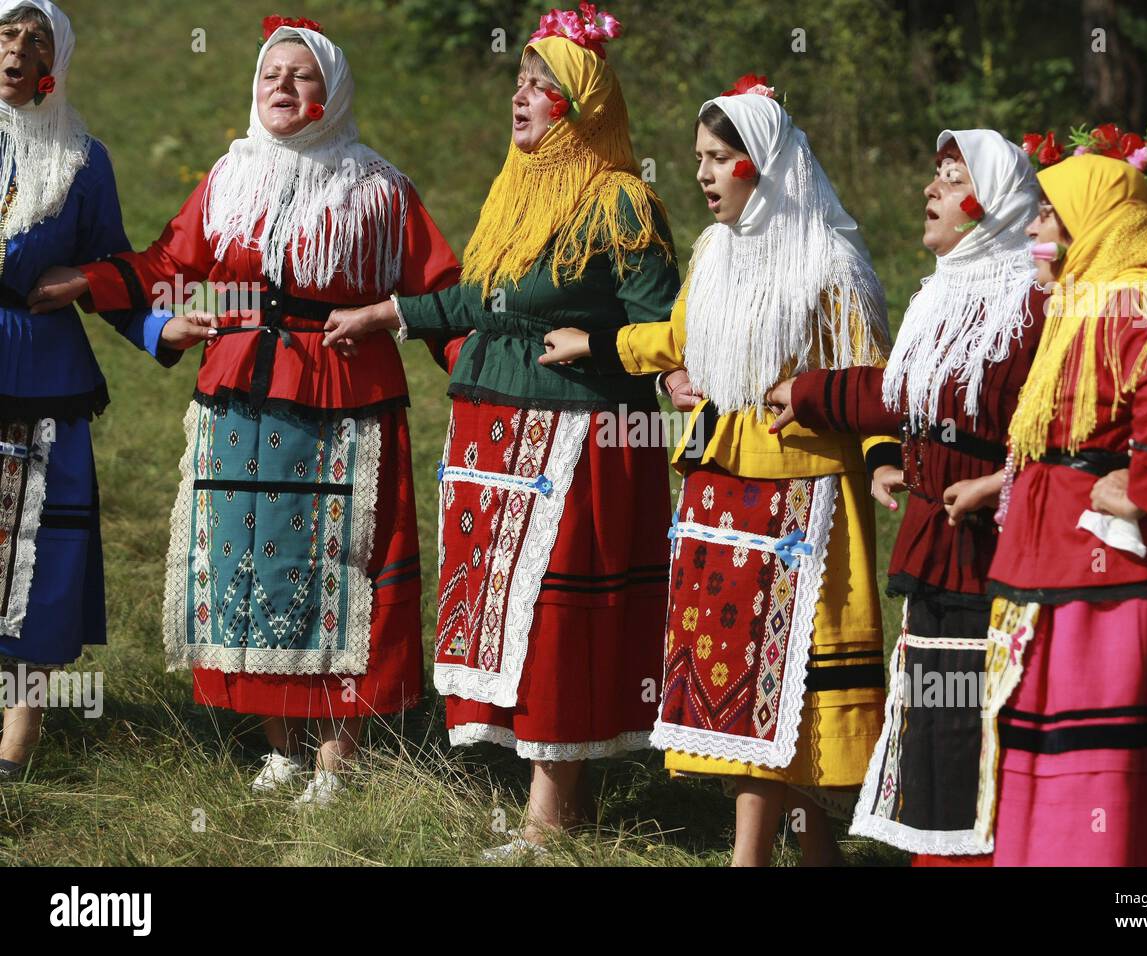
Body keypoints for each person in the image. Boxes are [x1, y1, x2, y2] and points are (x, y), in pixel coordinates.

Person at [31, 17, 460, 804]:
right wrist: (93, 282)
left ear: (331, 92)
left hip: (343, 396)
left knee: (340, 572)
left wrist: (482, 374)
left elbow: (437, 291)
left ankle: (338, 758)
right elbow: (169, 260)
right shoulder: (230, 176)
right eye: (272, 74)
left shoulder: (378, 189)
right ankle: (281, 747)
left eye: (302, 76)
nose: (284, 88)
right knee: (247, 569)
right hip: (237, 394)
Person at [322, 5, 679, 854]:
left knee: (559, 618)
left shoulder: (623, 206)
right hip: (494, 429)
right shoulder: (516, 190)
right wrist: (386, 312)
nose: (520, 98)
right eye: (518, 83)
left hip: (575, 442)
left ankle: (549, 815)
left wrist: (624, 356)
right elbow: (479, 300)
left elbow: (665, 321)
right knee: (501, 609)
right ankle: (539, 787)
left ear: (582, 109)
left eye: (542, 88)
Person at [540, 75, 892, 866]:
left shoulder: (827, 262)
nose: (701, 174)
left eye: (718, 158)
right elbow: (678, 337)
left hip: (805, 501)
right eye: (698, 158)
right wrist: (597, 345)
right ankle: (808, 851)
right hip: (722, 491)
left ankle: (760, 856)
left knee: (793, 679)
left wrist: (880, 461)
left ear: (762, 164)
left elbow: (870, 379)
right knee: (741, 677)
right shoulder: (715, 253)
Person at [767, 130, 1047, 863]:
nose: (929, 189)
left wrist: (998, 482)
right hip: (934, 541)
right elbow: (896, 392)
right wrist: (810, 392)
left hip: (997, 549)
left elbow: (1054, 429)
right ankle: (940, 853)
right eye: (934, 174)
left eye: (951, 179)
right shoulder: (944, 296)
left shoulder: (1033, 308)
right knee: (936, 711)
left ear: (996, 203)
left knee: (979, 712)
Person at [981, 152, 1147, 865]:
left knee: (1096, 740)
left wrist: (1141, 482)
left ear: (1085, 224)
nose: (1033, 230)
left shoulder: (1126, 295)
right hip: (1077, 566)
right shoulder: (1099, 293)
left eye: (1045, 217)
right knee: (1091, 739)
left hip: (1104, 576)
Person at [0, 0, 191, 779]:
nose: (17, 50)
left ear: (57, 61)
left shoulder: (83, 159)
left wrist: (157, 331)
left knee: (35, 557)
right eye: (5, 33)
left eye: (35, 39)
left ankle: (18, 734)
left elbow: (110, 266)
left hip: (45, 379)